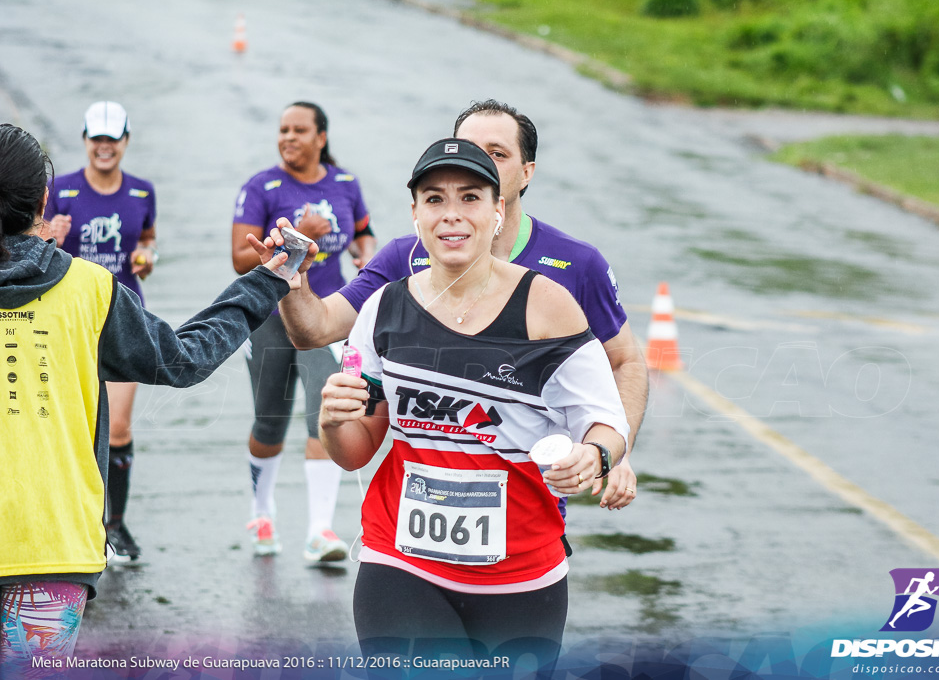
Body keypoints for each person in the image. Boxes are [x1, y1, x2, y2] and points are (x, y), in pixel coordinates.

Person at [253, 138, 628, 666]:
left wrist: (596, 455)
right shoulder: (385, 308)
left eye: (470, 197)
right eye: (434, 199)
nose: (452, 215)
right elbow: (356, 450)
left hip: (521, 574)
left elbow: (605, 421)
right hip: (400, 563)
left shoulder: (548, 306)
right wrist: (333, 421)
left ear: (498, 211)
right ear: (415, 214)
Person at [0, 123, 303, 670]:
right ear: (43, 202)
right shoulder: (88, 289)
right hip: (52, 550)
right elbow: (183, 358)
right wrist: (264, 282)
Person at [276, 100, 646, 511]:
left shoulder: (575, 263)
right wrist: (292, 283)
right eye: (466, 147)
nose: (477, 160)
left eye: (497, 153)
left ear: (526, 174)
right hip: (416, 512)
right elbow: (315, 328)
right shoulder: (407, 257)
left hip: (526, 508)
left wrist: (614, 449)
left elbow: (624, 361)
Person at [231, 101, 376, 562]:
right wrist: (298, 236)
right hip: (270, 321)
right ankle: (261, 510)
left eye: (299, 130)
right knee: (269, 422)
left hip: (327, 320)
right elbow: (239, 257)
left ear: (321, 138)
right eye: (283, 130)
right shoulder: (262, 186)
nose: (288, 137)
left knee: (325, 414)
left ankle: (320, 531)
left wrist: (364, 254)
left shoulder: (345, 183)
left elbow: (364, 230)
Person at [42, 101, 158, 563]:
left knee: (119, 427)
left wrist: (147, 258)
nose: (105, 147)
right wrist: (52, 235)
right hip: (68, 318)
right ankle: (77, 524)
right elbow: (31, 246)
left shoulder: (142, 193)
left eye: (114, 139)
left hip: (120, 314)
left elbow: (147, 240)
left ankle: (115, 526)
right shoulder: (59, 189)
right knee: (73, 426)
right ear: (86, 140)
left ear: (126, 141)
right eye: (97, 139)